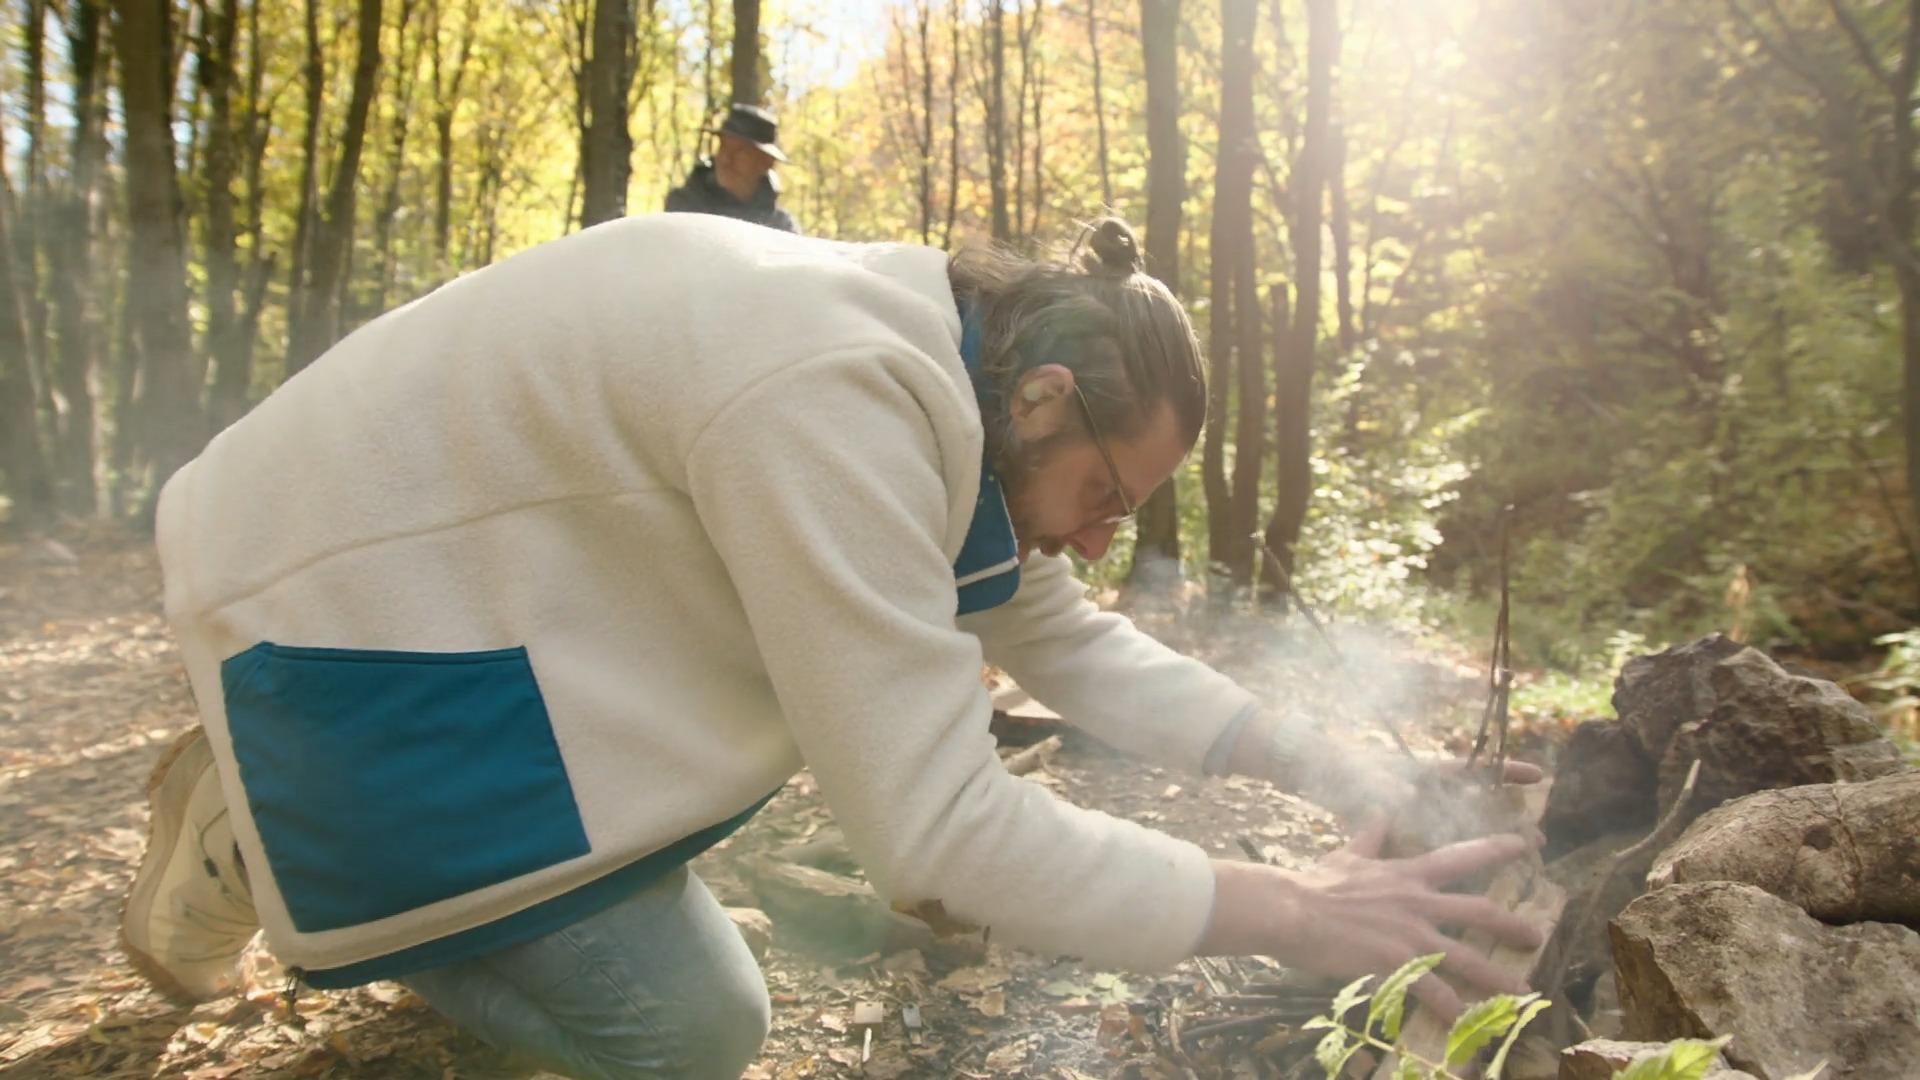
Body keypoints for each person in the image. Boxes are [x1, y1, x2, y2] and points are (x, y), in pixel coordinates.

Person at [121, 212, 1540, 1080]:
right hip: (340, 607)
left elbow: (1071, 644)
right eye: (1109, 494)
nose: (1106, 539)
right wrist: (1291, 910)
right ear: (1043, 398)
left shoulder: (934, 384)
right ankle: (258, 825)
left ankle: (293, 806)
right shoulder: (840, 392)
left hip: (475, 592)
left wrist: (1333, 769)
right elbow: (936, 831)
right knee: (686, 1038)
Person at [664, 104, 798, 233]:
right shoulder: (684, 208)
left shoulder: (781, 228)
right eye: (723, 147)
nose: (726, 159)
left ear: (766, 162)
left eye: (739, 152)